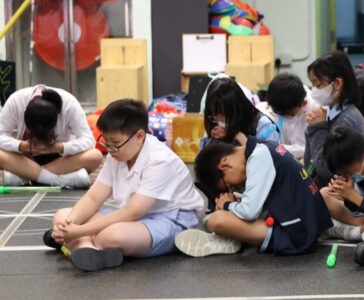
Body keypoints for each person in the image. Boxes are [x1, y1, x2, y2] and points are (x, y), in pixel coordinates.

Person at [45, 100, 204, 271]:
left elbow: (133, 211)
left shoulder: (160, 161)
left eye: (115, 142)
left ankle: (78, 244)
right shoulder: (118, 153)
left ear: (139, 136)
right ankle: (88, 249)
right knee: (63, 215)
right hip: (136, 217)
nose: (110, 149)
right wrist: (68, 226)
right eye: (106, 142)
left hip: (171, 218)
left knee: (112, 236)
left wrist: (80, 231)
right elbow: (94, 197)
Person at [176, 137, 336, 257]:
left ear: (224, 164)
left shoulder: (259, 157)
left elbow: (249, 211)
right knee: (229, 209)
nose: (233, 187)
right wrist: (235, 201)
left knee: (215, 220)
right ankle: (231, 238)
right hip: (306, 224)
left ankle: (230, 238)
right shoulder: (265, 147)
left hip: (297, 235)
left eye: (228, 185)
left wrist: (226, 205)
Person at [0, 85, 101, 189]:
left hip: (59, 161)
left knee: (95, 156)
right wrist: (22, 146)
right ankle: (59, 180)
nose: (39, 141)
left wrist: (58, 147)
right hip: (22, 160)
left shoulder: (69, 104)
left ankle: (24, 177)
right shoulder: (16, 101)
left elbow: (89, 140)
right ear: (25, 114)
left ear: (57, 116)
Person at [304, 50, 364, 183]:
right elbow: (310, 165)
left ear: (337, 83)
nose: (314, 90)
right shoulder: (329, 113)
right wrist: (313, 128)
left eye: (318, 84)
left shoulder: (347, 120)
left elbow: (326, 170)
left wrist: (317, 128)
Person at [203, 76, 279, 145]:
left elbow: (272, 153)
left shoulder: (261, 124)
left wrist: (242, 141)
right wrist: (211, 141)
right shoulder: (213, 123)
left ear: (237, 109)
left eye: (224, 116)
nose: (220, 123)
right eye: (214, 116)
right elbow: (203, 152)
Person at [259, 73, 313, 159]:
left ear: (303, 103)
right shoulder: (280, 101)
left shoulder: (315, 110)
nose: (284, 117)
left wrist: (281, 148)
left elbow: (311, 149)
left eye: (289, 115)